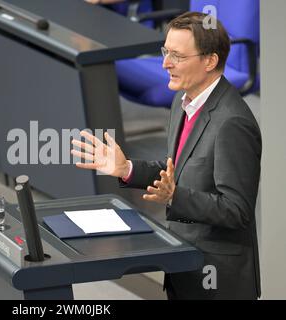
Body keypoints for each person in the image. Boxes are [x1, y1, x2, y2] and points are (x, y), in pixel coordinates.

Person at [71, 12, 261, 300]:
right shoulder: (183, 100)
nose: (165, 64)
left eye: (177, 56)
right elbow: (177, 169)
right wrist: (127, 169)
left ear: (209, 60)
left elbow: (237, 210)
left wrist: (174, 197)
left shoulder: (233, 123)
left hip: (217, 279)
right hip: (184, 263)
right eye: (165, 52)